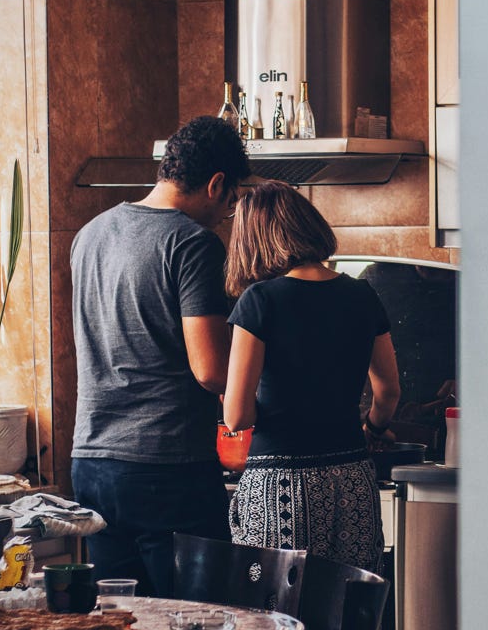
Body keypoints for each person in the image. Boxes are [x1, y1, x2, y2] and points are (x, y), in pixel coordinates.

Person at [69, 115, 250, 597]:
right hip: (165, 468)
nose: (225, 215)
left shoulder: (90, 234)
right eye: (231, 202)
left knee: (125, 628)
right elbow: (211, 371)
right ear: (216, 184)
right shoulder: (192, 243)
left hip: (91, 462)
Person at [222, 181, 400, 579]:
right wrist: (373, 427)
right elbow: (388, 390)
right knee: (351, 612)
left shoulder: (260, 300)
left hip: (280, 484)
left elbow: (236, 417)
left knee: (277, 617)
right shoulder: (362, 294)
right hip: (353, 476)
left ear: (254, 240)